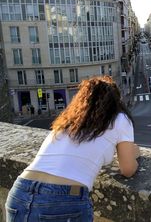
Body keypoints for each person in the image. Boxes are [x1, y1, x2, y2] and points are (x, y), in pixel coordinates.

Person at [5, 76, 140, 221]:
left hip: (20, 192)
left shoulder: (69, 121)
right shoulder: (120, 119)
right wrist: (135, 155)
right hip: (63, 200)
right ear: (116, 102)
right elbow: (128, 170)